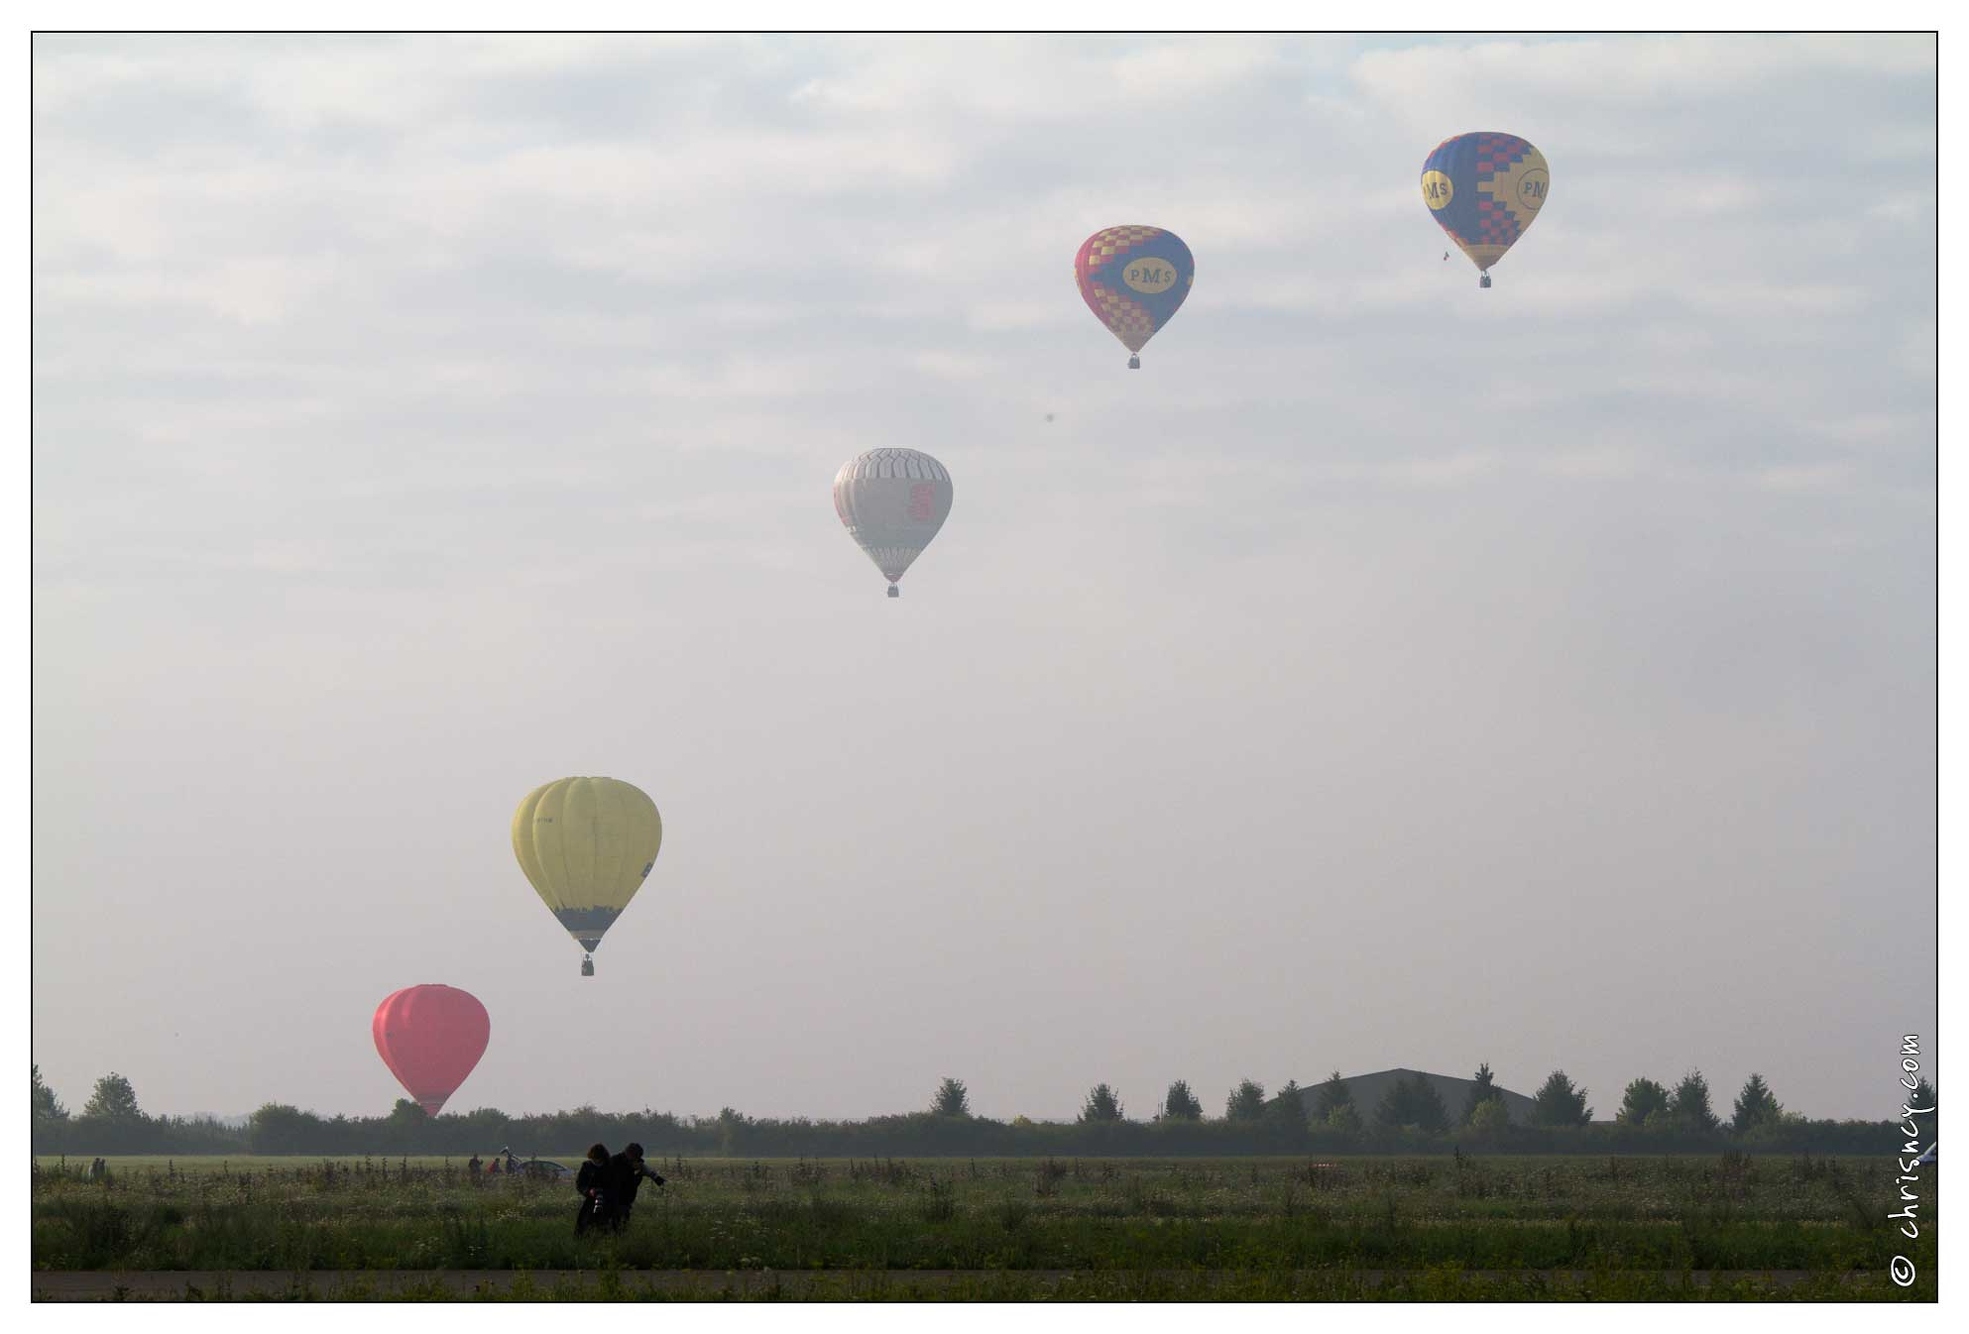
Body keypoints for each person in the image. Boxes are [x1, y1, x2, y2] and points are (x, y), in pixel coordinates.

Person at [603, 1142, 665, 1231]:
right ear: (630, 1155)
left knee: (620, 1229)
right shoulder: (616, 1163)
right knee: (617, 1229)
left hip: (623, 1201)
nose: (637, 1160)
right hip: (615, 1201)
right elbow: (626, 1185)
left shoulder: (619, 1160)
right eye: (635, 1158)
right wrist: (639, 1174)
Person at [574, 1144, 610, 1235]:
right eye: (595, 1159)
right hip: (590, 1200)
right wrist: (588, 1191)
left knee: (605, 1226)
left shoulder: (609, 1166)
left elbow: (614, 1183)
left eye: (599, 1159)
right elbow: (580, 1184)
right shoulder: (586, 1166)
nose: (597, 1161)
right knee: (584, 1225)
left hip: (607, 1201)